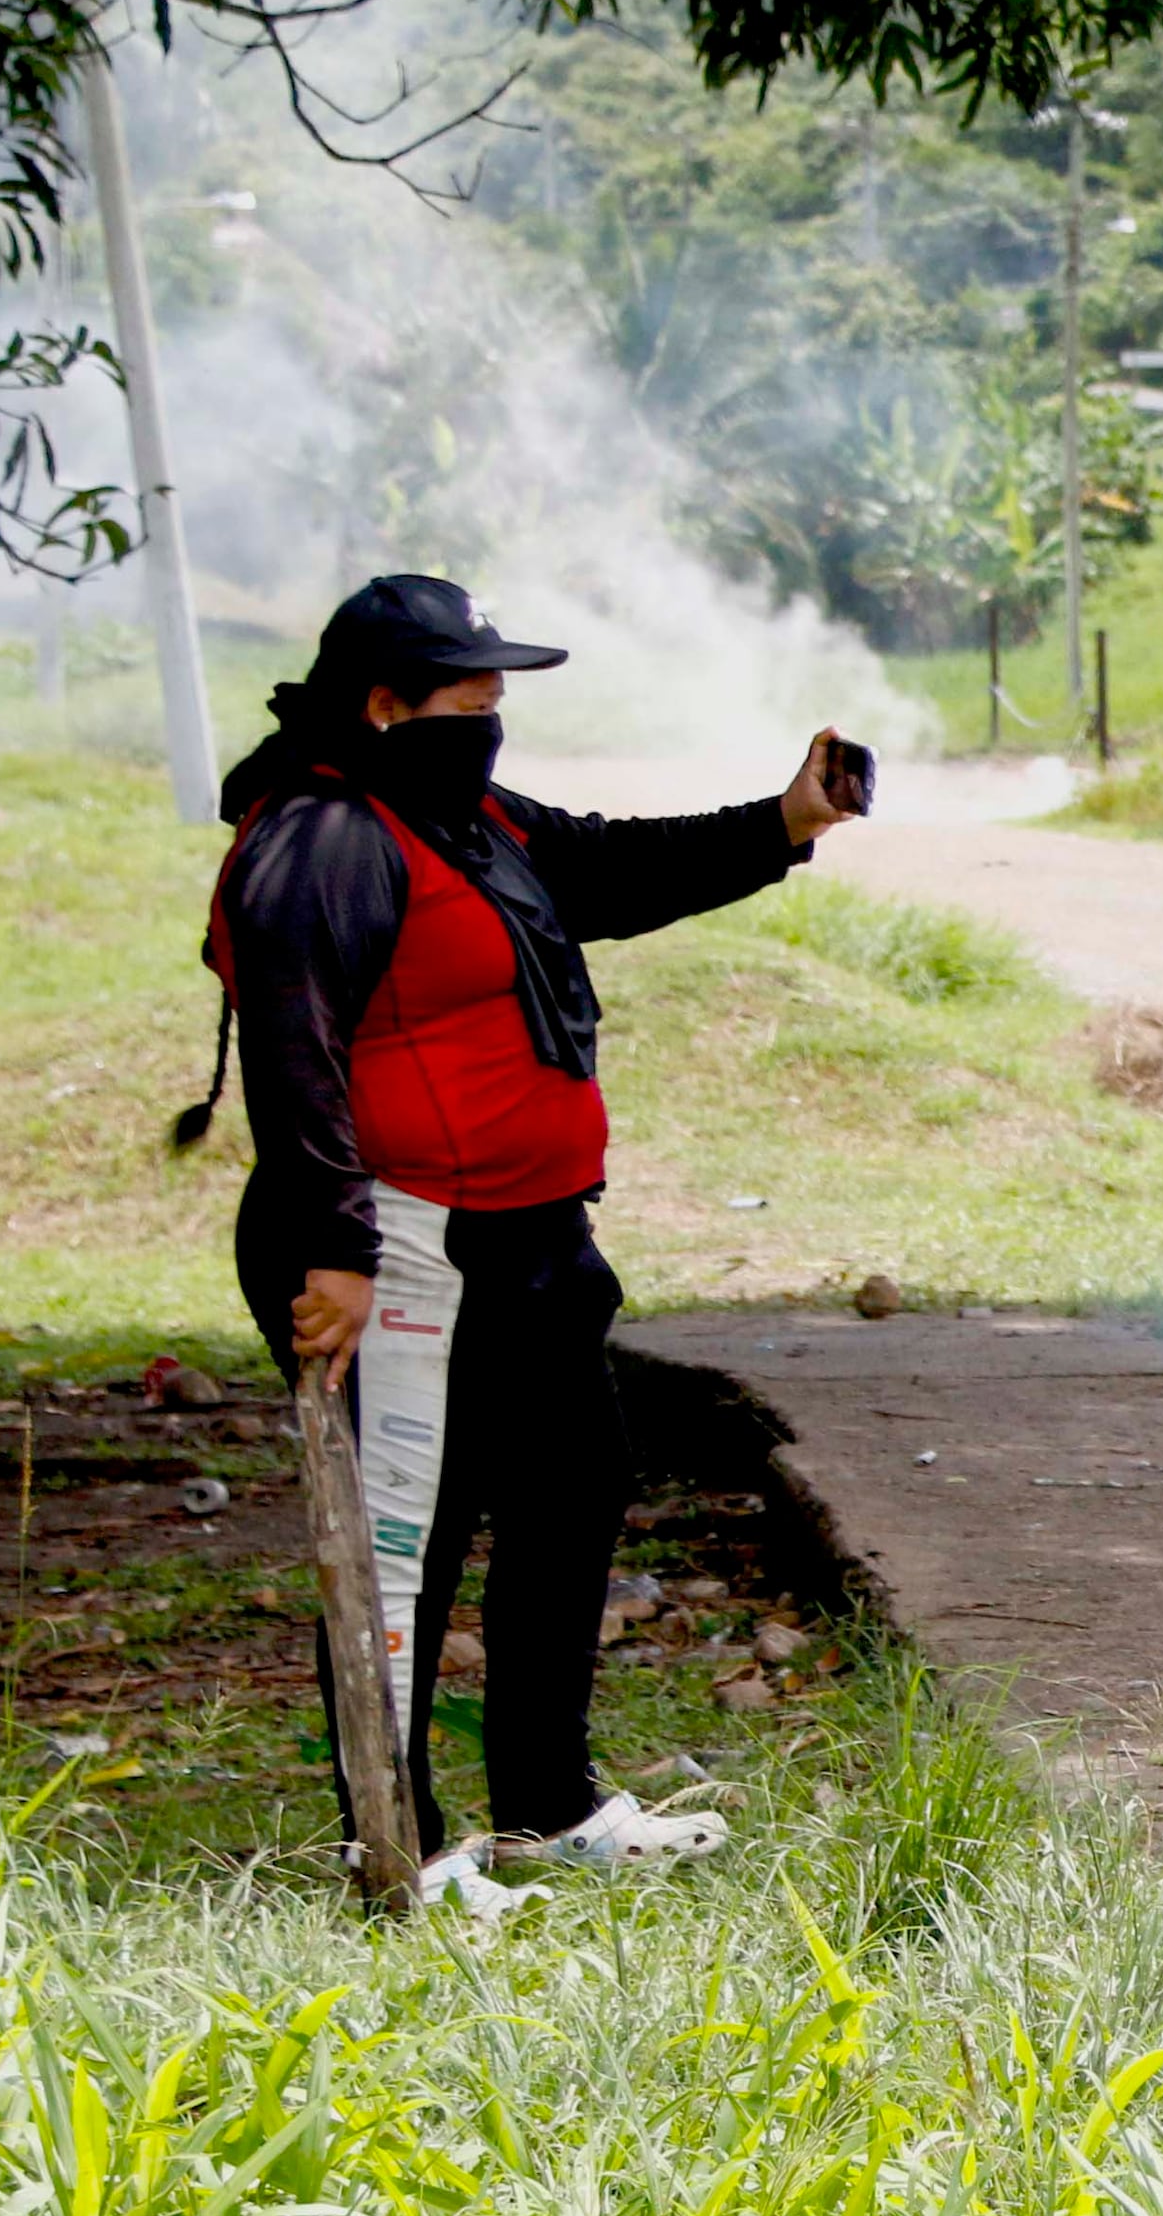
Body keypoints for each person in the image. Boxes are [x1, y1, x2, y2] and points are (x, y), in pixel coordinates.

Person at [204, 573, 864, 1873]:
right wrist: (334, 1249)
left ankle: (548, 1807)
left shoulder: (469, 813)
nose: (494, 717)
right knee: (404, 1539)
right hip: (397, 1245)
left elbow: (613, 868)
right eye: (471, 697)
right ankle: (395, 1850)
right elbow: (295, 1051)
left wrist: (786, 820)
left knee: (573, 1487)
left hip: (530, 1242)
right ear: (385, 705)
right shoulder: (319, 838)